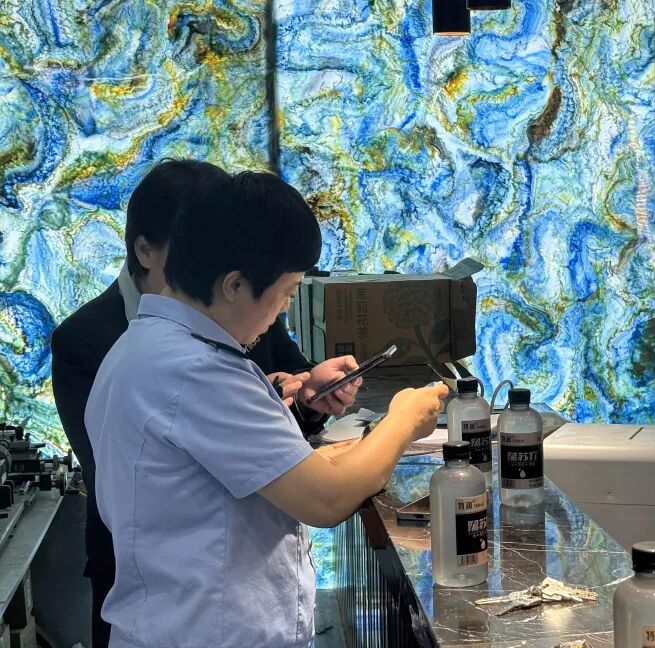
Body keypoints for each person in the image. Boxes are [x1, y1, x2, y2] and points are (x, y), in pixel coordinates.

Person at [84, 169, 447, 647]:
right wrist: (404, 419)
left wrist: (338, 451)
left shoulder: (147, 348)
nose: (284, 311)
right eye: (287, 293)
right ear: (234, 285)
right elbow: (326, 500)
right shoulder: (198, 372)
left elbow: (253, 473)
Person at [50, 160, 361, 646]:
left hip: (221, 591)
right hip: (166, 585)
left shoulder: (223, 312)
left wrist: (293, 398)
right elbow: (122, 461)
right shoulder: (104, 341)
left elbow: (256, 403)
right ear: (147, 249)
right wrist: (402, 420)